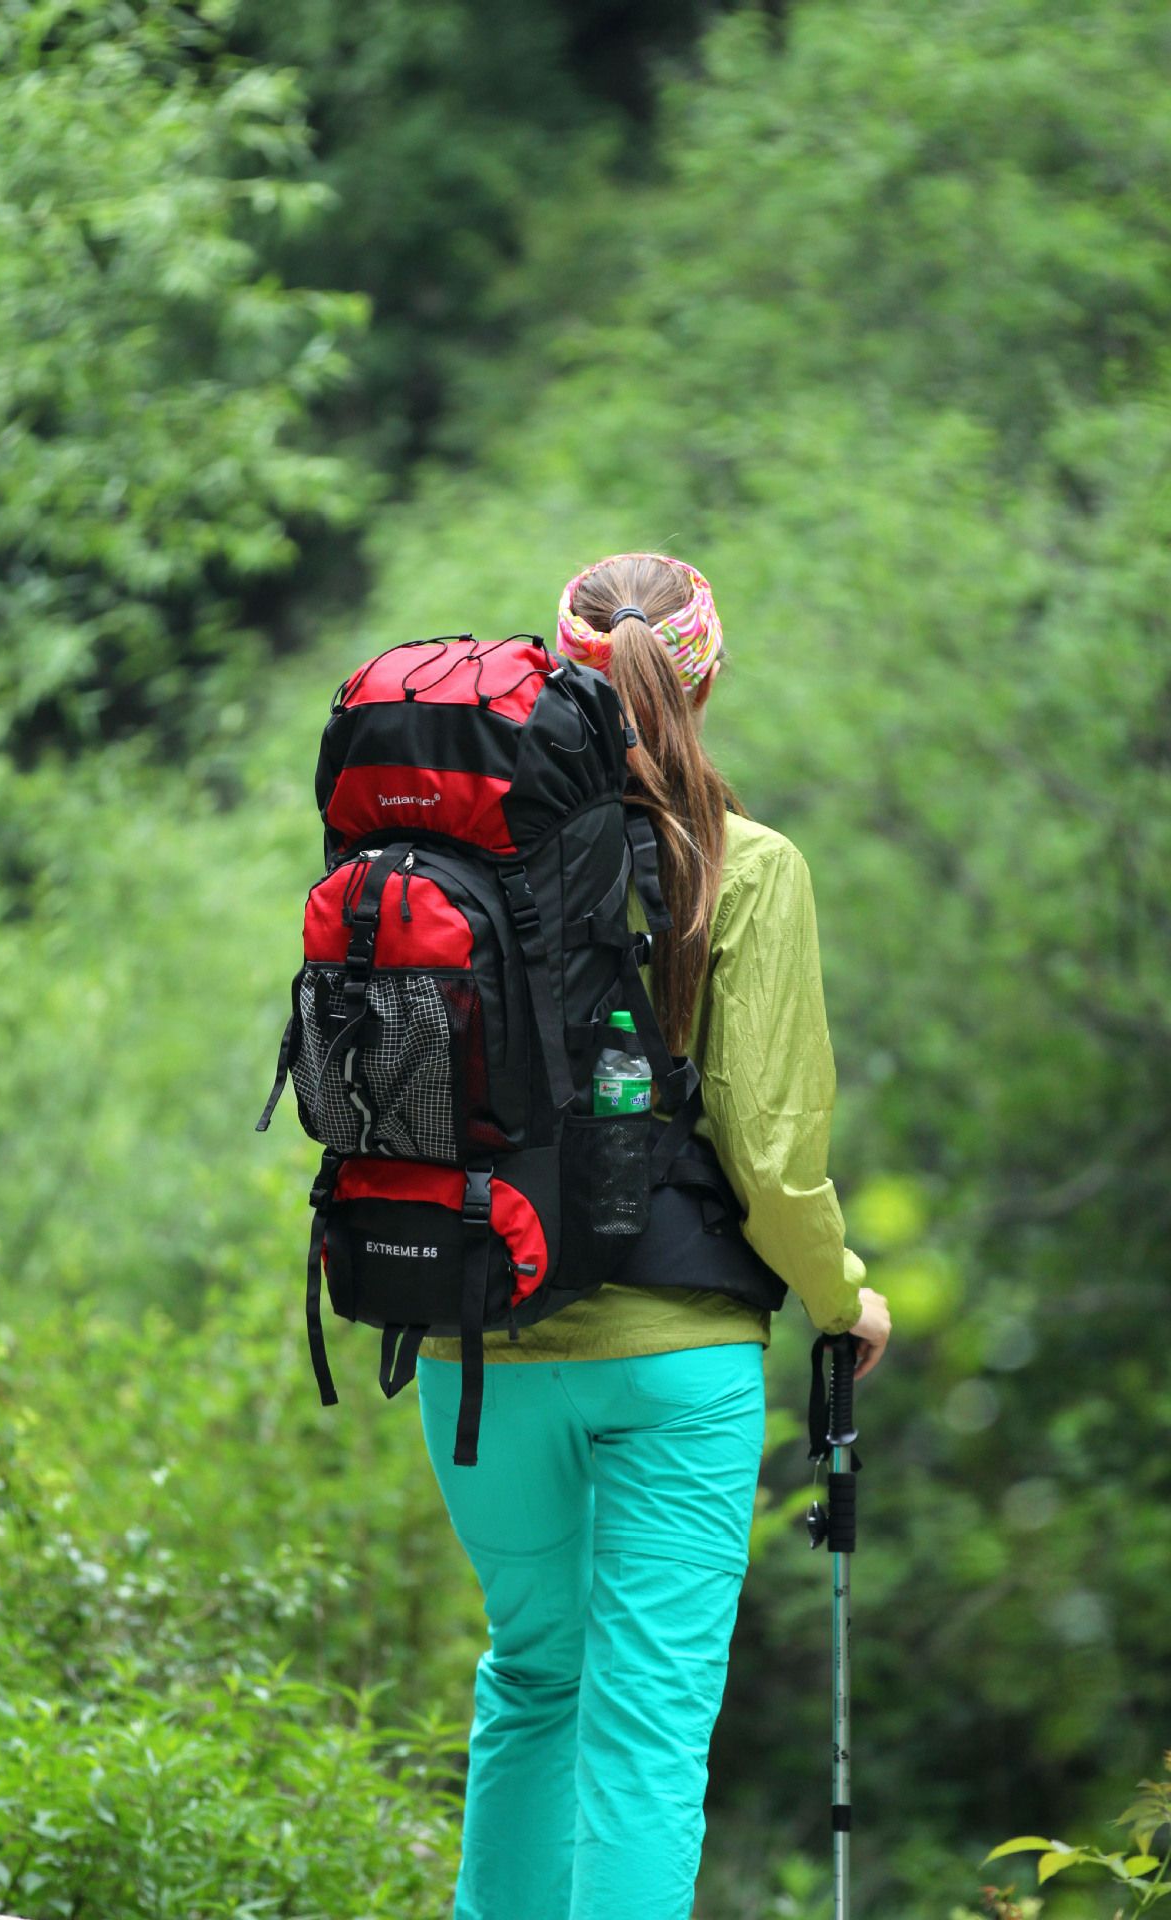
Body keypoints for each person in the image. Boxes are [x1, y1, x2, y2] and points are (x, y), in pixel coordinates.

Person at [415, 551, 892, 1920]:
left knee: (530, 1681)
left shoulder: (460, 866)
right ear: (708, 671)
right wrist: (840, 1298)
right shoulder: (747, 867)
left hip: (477, 1345)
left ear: (555, 672)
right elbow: (773, 1146)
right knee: (642, 1731)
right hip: (676, 1366)